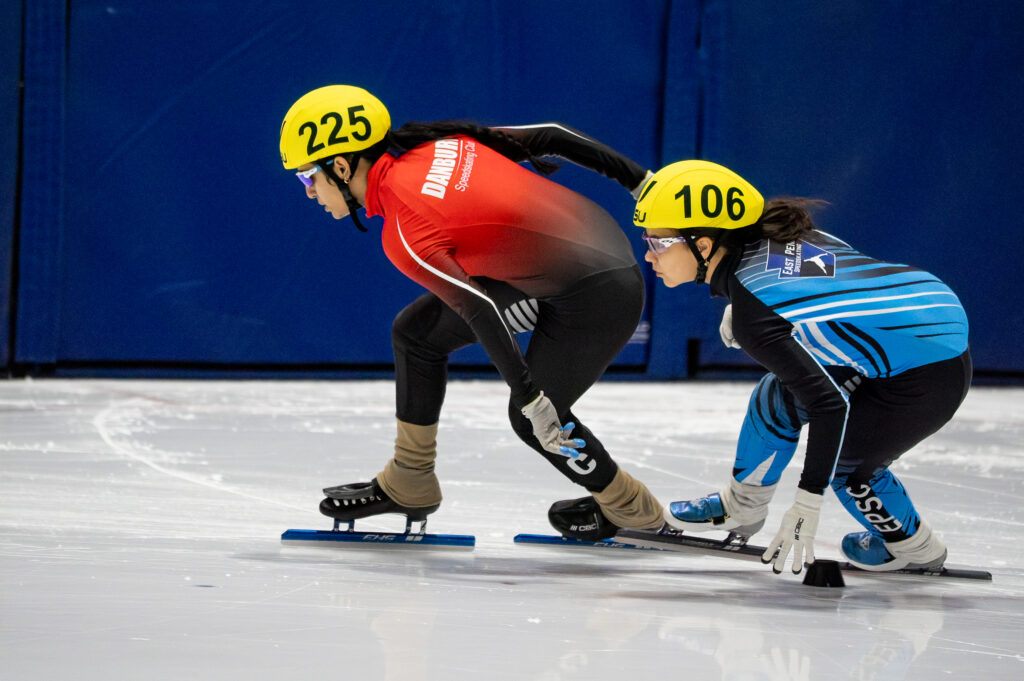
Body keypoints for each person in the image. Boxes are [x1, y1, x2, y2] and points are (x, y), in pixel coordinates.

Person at [278, 84, 664, 538]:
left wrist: (532, 400)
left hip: (598, 295)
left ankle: (633, 509)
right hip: (590, 252)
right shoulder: (438, 144)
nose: (309, 193)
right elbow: (552, 134)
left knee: (531, 421)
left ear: (341, 166)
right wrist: (643, 183)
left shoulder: (404, 228)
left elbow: (479, 309)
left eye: (308, 178)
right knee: (416, 333)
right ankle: (410, 477)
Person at [632, 160, 970, 573]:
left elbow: (829, 406)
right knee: (775, 398)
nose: (648, 255)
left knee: (851, 474)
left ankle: (917, 548)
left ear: (703, 245)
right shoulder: (767, 236)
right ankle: (742, 509)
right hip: (915, 325)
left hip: (929, 372)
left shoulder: (755, 316)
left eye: (657, 243)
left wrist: (807, 502)